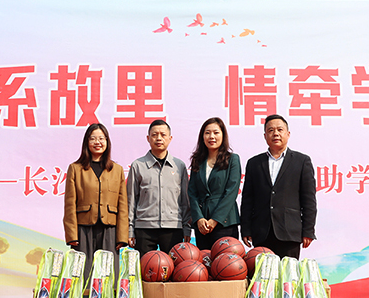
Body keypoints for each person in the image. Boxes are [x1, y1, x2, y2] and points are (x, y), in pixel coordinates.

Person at [240, 114, 317, 259]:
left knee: (288, 273)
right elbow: (248, 200)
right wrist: (246, 229)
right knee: (263, 273)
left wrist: (308, 230)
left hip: (290, 232)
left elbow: (309, 199)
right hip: (261, 232)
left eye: (280, 130)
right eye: (271, 130)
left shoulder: (302, 161)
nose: (275, 133)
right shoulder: (254, 163)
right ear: (265, 136)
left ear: (288, 134)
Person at [63, 123, 128, 280]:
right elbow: (70, 204)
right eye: (93, 139)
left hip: (110, 228)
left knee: (108, 273)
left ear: (107, 142)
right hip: (83, 228)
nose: (97, 142)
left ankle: (108, 297)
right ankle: (83, 297)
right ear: (87, 142)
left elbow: (123, 205)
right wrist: (72, 235)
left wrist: (122, 237)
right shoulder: (75, 168)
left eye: (101, 138)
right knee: (83, 273)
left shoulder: (117, 169)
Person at [127, 119, 191, 254]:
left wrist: (186, 228)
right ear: (148, 138)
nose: (159, 138)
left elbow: (185, 201)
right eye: (154, 135)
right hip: (144, 228)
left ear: (170, 138)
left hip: (173, 227)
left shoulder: (179, 166)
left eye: (163, 134)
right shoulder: (137, 166)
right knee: (145, 266)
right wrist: (130, 229)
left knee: (173, 267)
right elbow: (131, 200)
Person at [188, 117, 241, 251]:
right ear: (202, 137)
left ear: (223, 135)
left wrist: (215, 219)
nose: (211, 136)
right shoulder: (197, 160)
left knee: (226, 262)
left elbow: (231, 192)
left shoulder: (232, 159)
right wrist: (199, 218)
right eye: (207, 133)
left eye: (216, 132)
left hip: (225, 223)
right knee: (204, 261)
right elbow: (192, 192)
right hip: (202, 226)